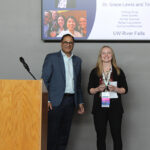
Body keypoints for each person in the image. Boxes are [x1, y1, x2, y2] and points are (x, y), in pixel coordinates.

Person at [42, 34, 84, 150]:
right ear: (61, 43)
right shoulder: (51, 58)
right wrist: (47, 99)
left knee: (64, 135)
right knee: (52, 134)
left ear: (73, 45)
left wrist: (80, 102)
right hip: (54, 102)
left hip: (70, 101)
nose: (68, 44)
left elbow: (78, 84)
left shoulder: (77, 61)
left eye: (70, 42)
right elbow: (44, 80)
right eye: (65, 42)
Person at [88, 46, 128, 150]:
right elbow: (90, 90)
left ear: (112, 56)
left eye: (109, 53)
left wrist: (116, 89)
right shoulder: (94, 71)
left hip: (115, 108)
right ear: (100, 56)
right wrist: (97, 89)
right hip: (99, 108)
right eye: (103, 53)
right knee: (100, 136)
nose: (106, 55)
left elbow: (125, 89)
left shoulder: (118, 71)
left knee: (117, 136)